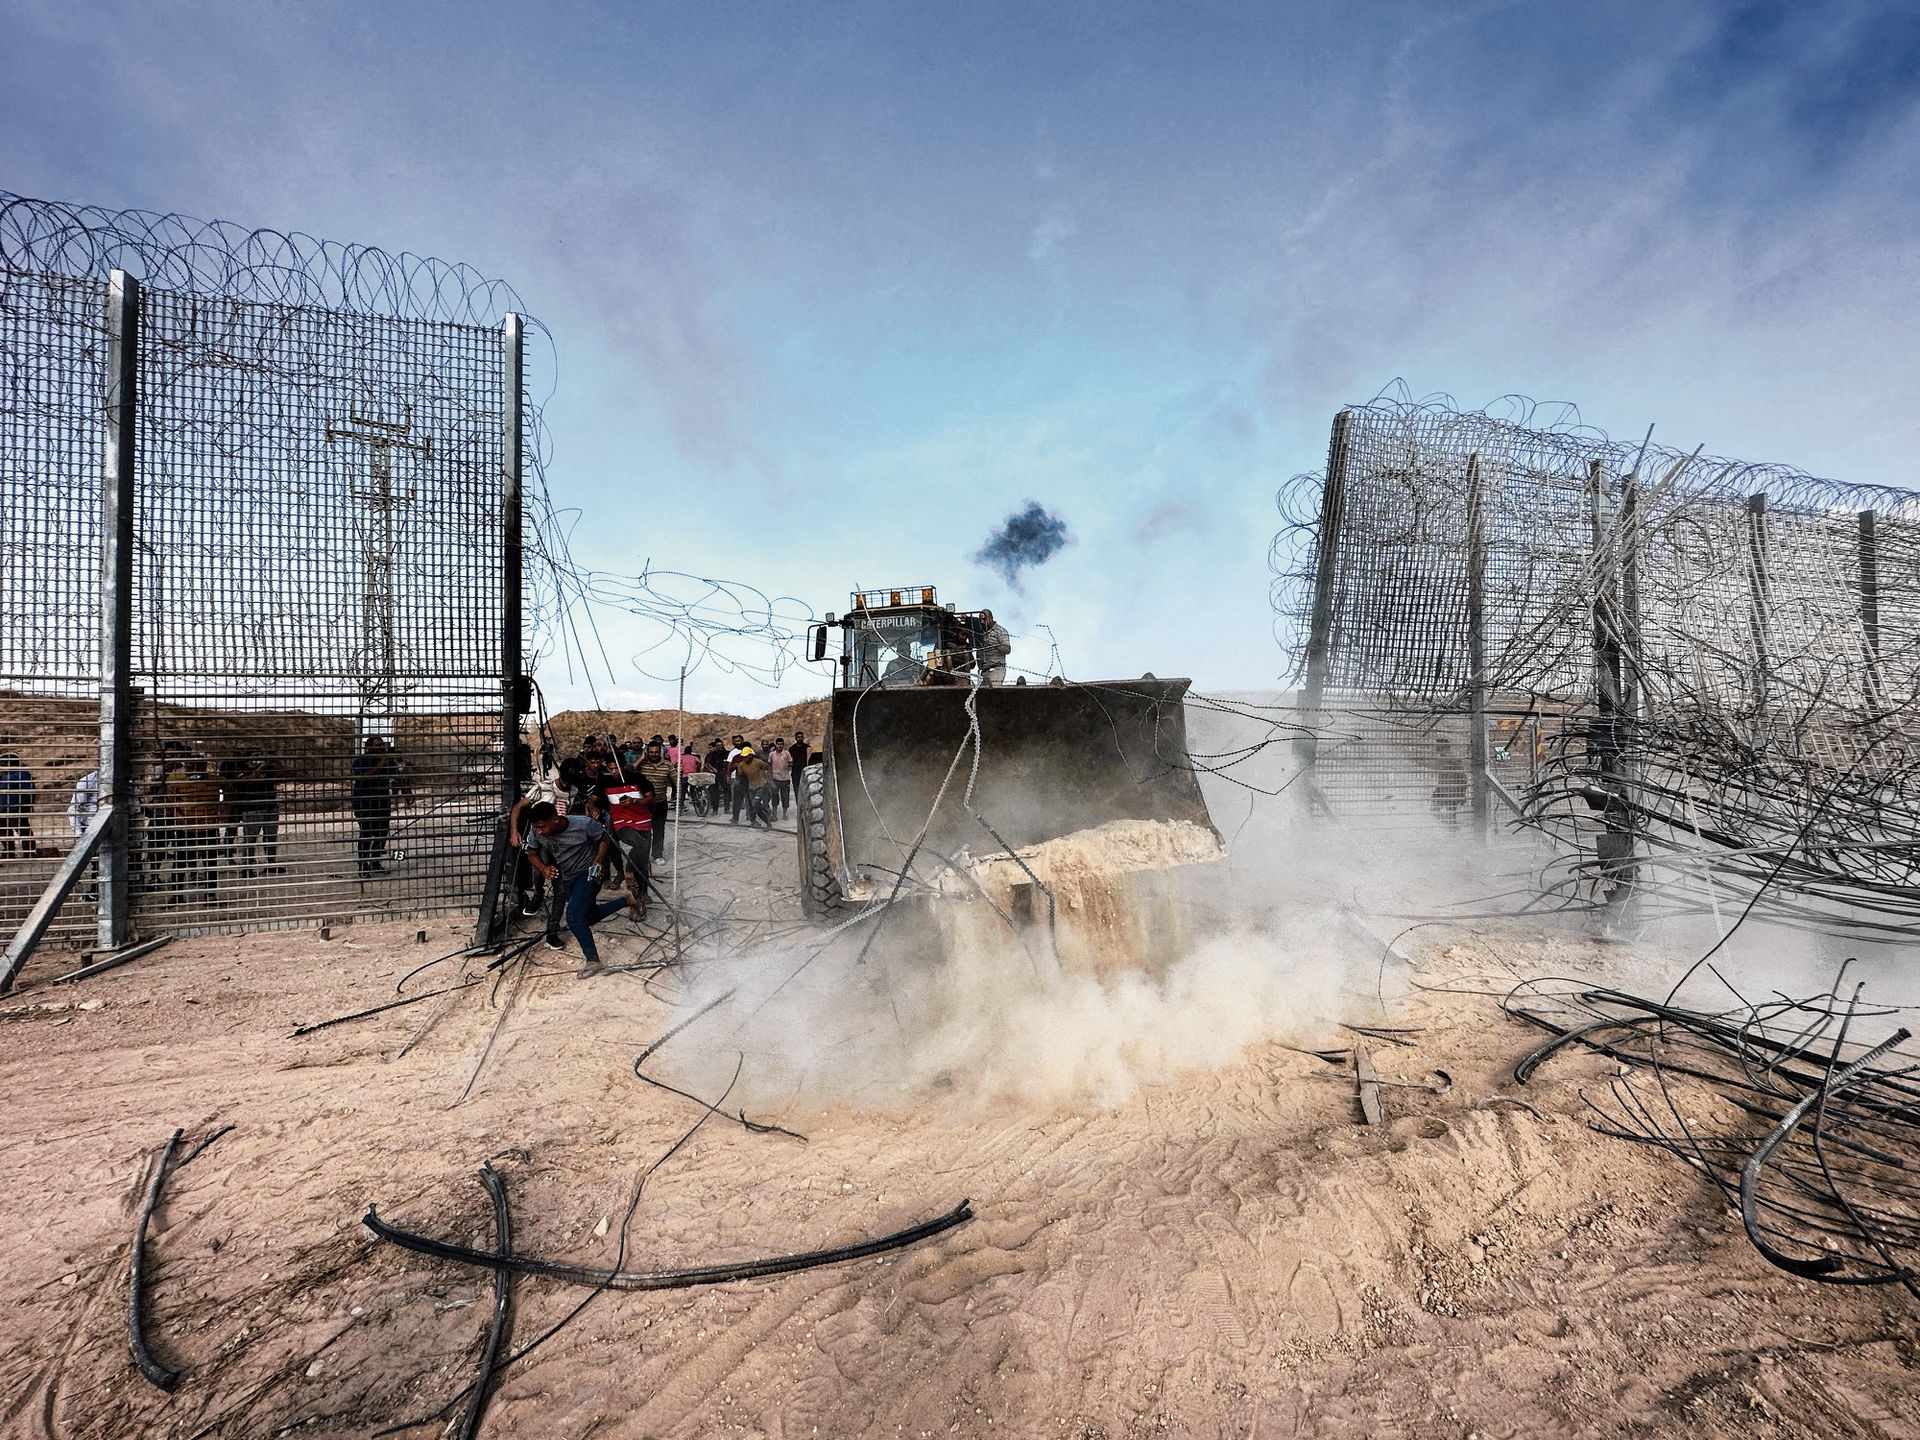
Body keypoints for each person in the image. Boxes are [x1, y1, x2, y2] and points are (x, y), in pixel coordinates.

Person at [521, 799, 637, 970]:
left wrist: (598, 861)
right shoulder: (536, 832)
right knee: (587, 918)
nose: (539, 831)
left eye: (542, 826)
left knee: (574, 917)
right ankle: (626, 901)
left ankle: (593, 961)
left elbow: (603, 840)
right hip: (569, 876)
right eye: (536, 827)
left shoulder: (584, 824)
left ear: (555, 818)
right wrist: (543, 868)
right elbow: (532, 854)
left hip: (590, 873)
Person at [165, 754, 224, 898]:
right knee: (180, 862)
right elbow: (168, 802)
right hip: (186, 828)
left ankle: (210, 894)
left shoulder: (215, 781)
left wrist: (224, 809)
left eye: (194, 767)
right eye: (188, 767)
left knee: (210, 862)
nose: (189, 771)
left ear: (203, 767)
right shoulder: (174, 780)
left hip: (208, 827)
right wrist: (177, 815)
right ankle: (177, 895)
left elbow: (231, 794)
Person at [601, 770, 655, 913]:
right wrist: (593, 808)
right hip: (622, 824)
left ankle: (642, 893)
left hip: (643, 822)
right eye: (610, 768)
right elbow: (593, 800)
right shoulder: (605, 782)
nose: (613, 772)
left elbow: (650, 798)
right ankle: (634, 891)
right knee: (640, 846)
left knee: (642, 860)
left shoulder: (638, 778)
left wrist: (635, 800)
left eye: (616, 768)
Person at [226, 752, 283, 877]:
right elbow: (248, 781)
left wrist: (275, 761)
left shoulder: (268, 769)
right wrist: (261, 767)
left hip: (270, 806)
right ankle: (246, 866)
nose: (258, 758)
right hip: (253, 808)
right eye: (255, 755)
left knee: (271, 836)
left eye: (260, 755)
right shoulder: (242, 770)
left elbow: (281, 773)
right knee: (250, 838)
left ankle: (271, 864)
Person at [350, 736, 397, 876]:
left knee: (382, 832)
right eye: (377, 745)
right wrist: (381, 763)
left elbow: (397, 776)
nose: (381, 747)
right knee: (367, 832)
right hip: (364, 802)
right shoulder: (360, 761)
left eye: (382, 744)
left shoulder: (387, 761)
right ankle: (363, 865)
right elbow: (363, 777)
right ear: (368, 747)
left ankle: (375, 863)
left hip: (382, 802)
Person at [637, 739, 676, 859]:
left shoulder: (668, 765)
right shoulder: (641, 765)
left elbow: (677, 782)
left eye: (656, 752)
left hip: (660, 803)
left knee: (659, 830)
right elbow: (627, 771)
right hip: (643, 804)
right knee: (644, 831)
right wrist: (641, 759)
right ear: (647, 752)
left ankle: (657, 855)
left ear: (660, 752)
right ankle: (643, 855)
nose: (653, 754)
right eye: (651, 752)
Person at [0, 749, 37, 858]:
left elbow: (30, 791)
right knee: (3, 831)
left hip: (16, 809)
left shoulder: (22, 774)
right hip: (2, 810)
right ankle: (8, 852)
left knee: (23, 830)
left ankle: (29, 852)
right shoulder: (3, 776)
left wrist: (28, 805)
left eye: (3, 762)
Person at [1428, 737, 1468, 827]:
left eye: (1438, 747)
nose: (1436, 750)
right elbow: (1442, 779)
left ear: (1445, 748)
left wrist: (1462, 794)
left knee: (1451, 817)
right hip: (1443, 791)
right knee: (1435, 811)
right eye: (1436, 747)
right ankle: (1448, 827)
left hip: (1452, 793)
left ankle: (1452, 831)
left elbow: (1463, 777)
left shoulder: (1454, 760)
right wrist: (1436, 792)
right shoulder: (1441, 760)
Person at [733, 744, 772, 828]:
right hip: (751, 787)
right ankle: (765, 820)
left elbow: (768, 767)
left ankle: (766, 812)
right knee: (754, 806)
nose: (744, 758)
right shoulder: (741, 765)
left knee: (755, 803)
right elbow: (740, 776)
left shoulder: (758, 762)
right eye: (743, 756)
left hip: (760, 786)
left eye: (746, 756)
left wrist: (768, 779)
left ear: (751, 756)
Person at [978, 609, 1011, 685]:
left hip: (996, 668)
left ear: (990, 618)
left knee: (992, 691)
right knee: (981, 694)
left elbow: (1007, 649)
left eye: (984, 619)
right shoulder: (980, 632)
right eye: (980, 620)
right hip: (983, 670)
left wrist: (994, 645)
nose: (982, 622)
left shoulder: (1000, 631)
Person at [765, 739, 793, 820]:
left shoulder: (786, 753)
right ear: (775, 745)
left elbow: (791, 763)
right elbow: (769, 765)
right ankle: (774, 814)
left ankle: (784, 814)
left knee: (785, 797)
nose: (779, 746)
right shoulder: (771, 754)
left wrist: (787, 766)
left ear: (783, 745)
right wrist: (770, 777)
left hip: (785, 778)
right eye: (778, 744)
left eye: (781, 744)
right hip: (775, 778)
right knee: (774, 797)